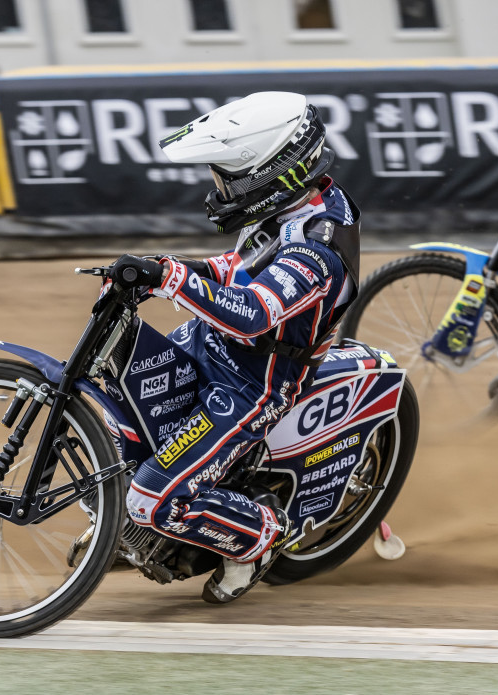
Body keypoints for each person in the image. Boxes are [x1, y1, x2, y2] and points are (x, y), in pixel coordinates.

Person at [108, 92, 360, 603]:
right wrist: (169, 268)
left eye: (228, 178)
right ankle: (124, 529)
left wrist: (176, 278)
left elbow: (255, 312)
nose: (219, 188)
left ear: (272, 174)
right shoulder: (298, 204)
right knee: (119, 410)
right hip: (211, 344)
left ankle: (258, 537)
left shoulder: (317, 249)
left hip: (255, 382)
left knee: (153, 500)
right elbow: (242, 263)